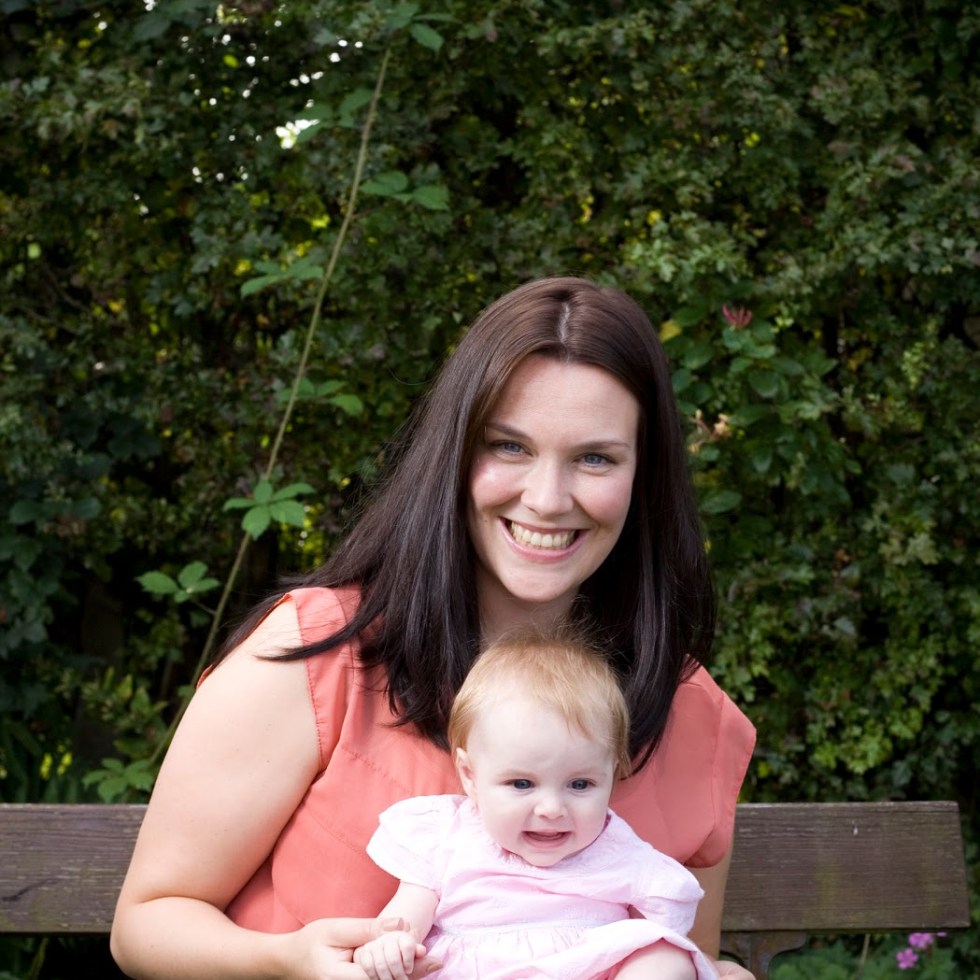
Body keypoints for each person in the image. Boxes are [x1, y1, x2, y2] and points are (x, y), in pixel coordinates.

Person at [110, 276, 757, 979]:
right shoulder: (316, 658)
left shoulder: (692, 715)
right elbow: (147, 922)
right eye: (509, 447)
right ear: (456, 453)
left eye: (595, 457)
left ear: (644, 476)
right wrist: (283, 960)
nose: (546, 499)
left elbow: (685, 952)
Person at [353, 632, 717, 980]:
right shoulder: (448, 838)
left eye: (580, 784)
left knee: (666, 954)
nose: (551, 809)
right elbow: (402, 924)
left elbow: (670, 921)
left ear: (612, 774)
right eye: (522, 784)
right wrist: (390, 947)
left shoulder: (619, 852)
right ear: (470, 776)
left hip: (587, 968)